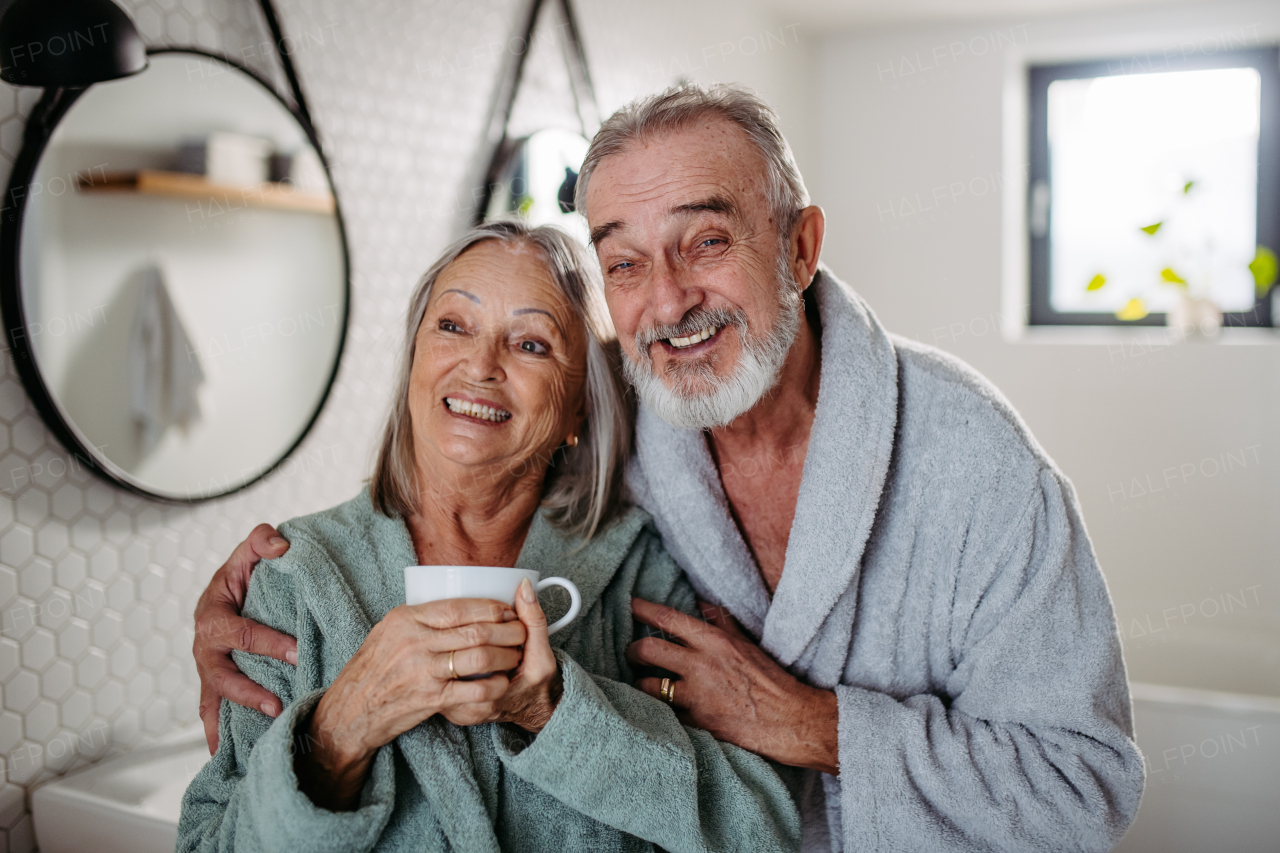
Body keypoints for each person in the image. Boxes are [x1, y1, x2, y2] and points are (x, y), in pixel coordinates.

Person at [195, 85, 1146, 852]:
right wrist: (297, 670)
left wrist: (810, 724)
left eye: (707, 240)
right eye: (626, 264)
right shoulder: (628, 425)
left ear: (801, 246)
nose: (670, 300)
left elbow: (1078, 791)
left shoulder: (967, 463)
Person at [178, 220, 801, 853]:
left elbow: (759, 833)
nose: (479, 365)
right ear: (414, 359)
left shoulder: (640, 573)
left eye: (531, 344)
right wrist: (340, 730)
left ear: (580, 405)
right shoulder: (295, 579)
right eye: (452, 326)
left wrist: (555, 713)